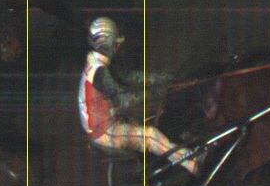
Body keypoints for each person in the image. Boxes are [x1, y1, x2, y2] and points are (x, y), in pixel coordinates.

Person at [79, 17, 200, 175]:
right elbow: (124, 100)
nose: (118, 47)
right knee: (151, 136)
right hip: (103, 131)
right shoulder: (99, 73)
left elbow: (131, 77)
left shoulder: (101, 63)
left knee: (154, 124)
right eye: (115, 44)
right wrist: (159, 92)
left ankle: (166, 159)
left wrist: (169, 78)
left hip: (109, 121)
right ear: (107, 44)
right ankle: (192, 164)